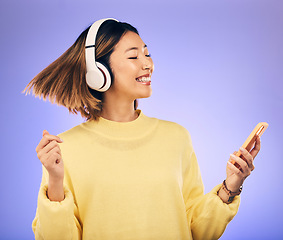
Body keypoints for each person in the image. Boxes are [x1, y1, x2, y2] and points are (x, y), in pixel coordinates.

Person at [23, 18, 261, 240]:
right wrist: (55, 182)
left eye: (147, 54)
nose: (148, 64)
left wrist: (231, 185)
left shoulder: (176, 137)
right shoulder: (65, 149)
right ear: (99, 72)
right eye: (134, 57)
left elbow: (197, 230)